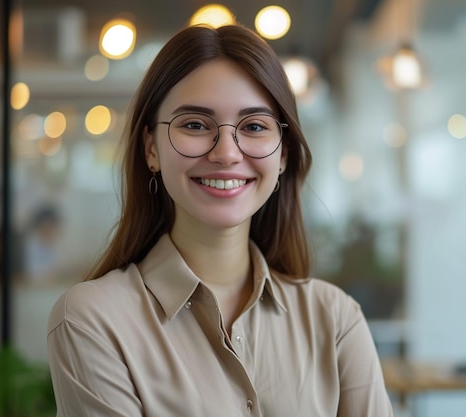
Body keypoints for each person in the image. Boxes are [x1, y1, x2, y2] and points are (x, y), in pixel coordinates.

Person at [47, 23, 393, 417]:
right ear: (151, 149)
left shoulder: (335, 320)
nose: (227, 153)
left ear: (282, 156)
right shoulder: (94, 321)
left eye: (254, 127)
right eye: (195, 125)